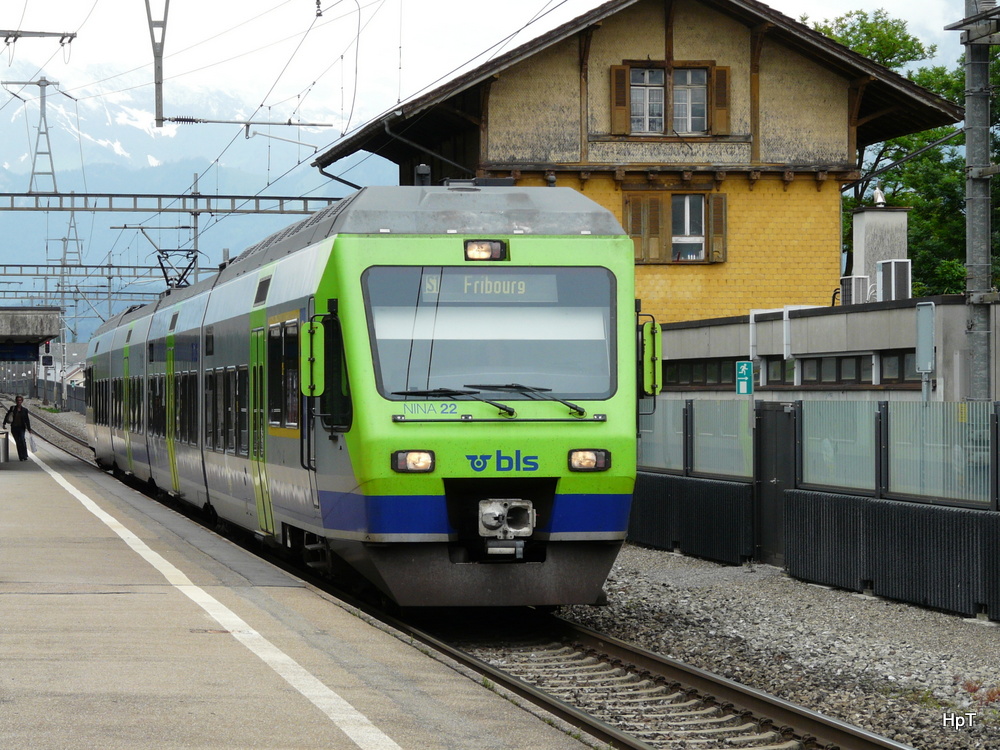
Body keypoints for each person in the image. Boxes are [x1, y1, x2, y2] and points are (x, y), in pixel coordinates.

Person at [3, 396, 32, 461]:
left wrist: (29, 428)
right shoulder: (13, 408)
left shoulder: (24, 410)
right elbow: (7, 415)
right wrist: (4, 423)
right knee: (18, 442)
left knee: (22, 440)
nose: (19, 402)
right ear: (16, 401)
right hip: (14, 428)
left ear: (22, 401)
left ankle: (25, 455)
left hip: (21, 428)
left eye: (20, 400)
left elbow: (27, 420)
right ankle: (21, 456)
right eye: (18, 400)